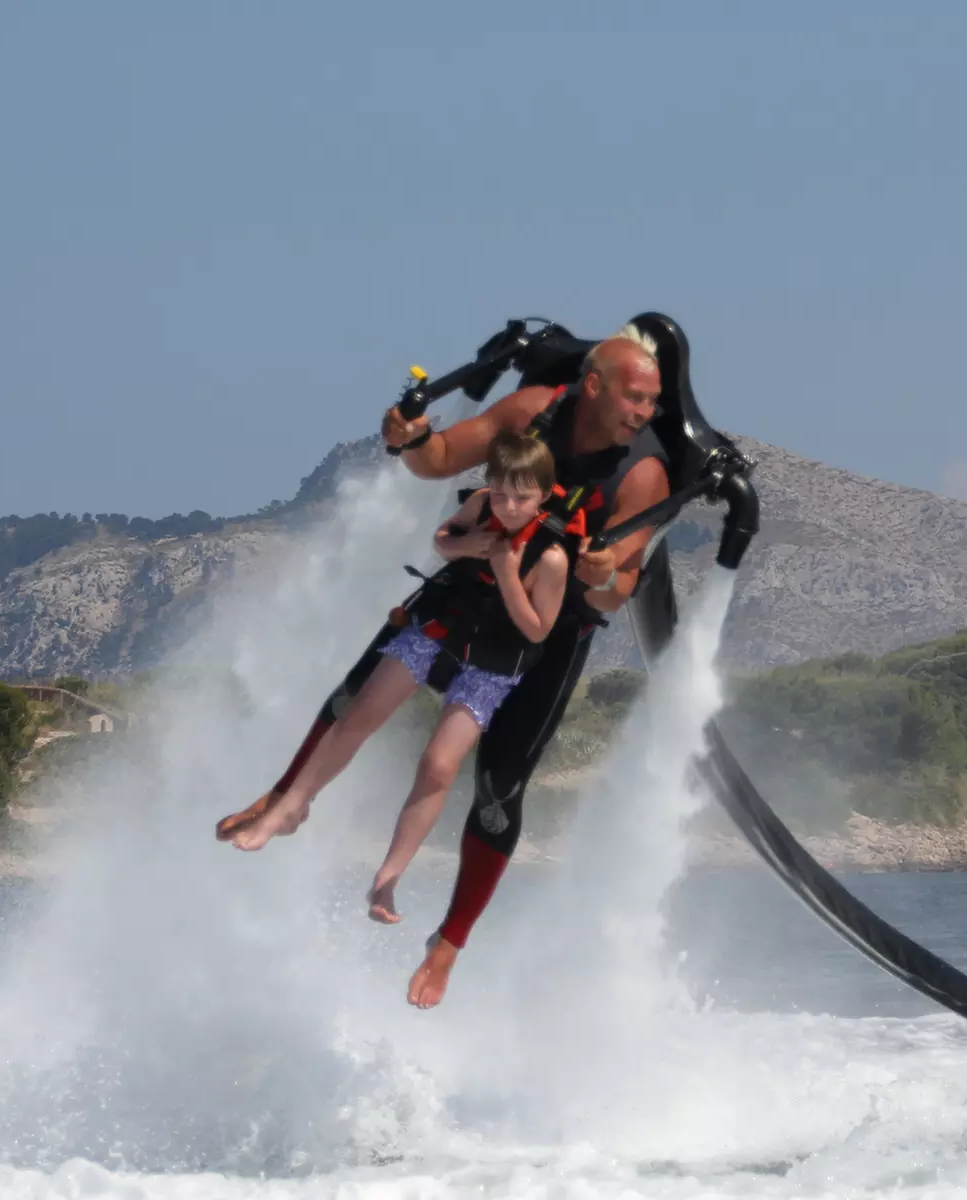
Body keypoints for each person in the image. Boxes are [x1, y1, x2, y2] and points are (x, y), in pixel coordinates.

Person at [218, 327, 672, 1008]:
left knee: (494, 789)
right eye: (635, 398)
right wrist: (408, 439)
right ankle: (289, 799)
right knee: (355, 696)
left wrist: (603, 572)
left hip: (542, 633)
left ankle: (448, 943)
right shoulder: (532, 414)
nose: (645, 412)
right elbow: (438, 461)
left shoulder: (642, 474)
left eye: (653, 402)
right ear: (595, 385)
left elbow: (621, 588)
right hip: (463, 596)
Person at [228, 434, 573, 931]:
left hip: (490, 664)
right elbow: (442, 539)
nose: (510, 505)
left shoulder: (553, 558)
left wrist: (503, 571)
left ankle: (388, 876)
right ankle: (291, 808)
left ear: (545, 494)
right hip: (439, 630)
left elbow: (537, 629)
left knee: (437, 766)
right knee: (360, 714)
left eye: (522, 496)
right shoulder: (480, 505)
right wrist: (466, 545)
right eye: (501, 493)